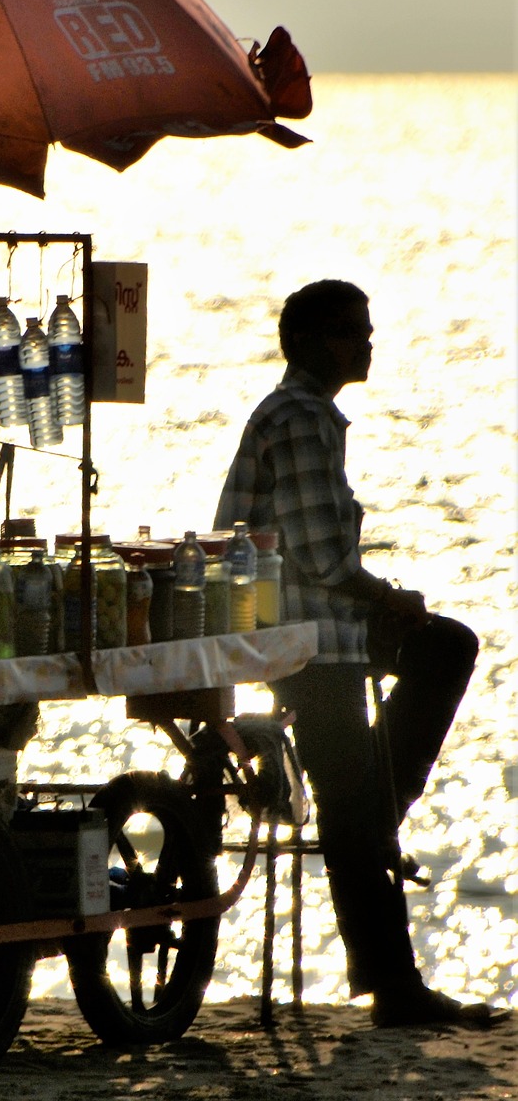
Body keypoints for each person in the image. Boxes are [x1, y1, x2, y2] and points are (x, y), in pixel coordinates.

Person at [214, 279, 507, 1029]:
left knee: (443, 650)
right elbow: (323, 560)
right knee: (355, 800)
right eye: (351, 332)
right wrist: (391, 600)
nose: (365, 343)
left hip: (319, 627)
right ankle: (395, 982)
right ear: (311, 342)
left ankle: (377, 821)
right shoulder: (302, 418)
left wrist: (384, 606)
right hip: (308, 638)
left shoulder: (305, 416)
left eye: (365, 330)